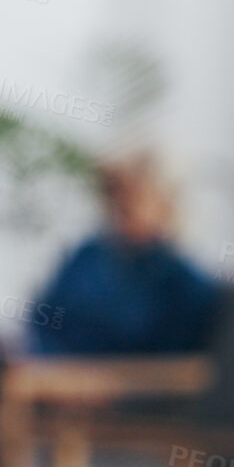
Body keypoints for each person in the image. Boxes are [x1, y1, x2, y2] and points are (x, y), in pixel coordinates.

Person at [27, 148, 220, 355]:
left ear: (165, 200)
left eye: (133, 194)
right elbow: (43, 320)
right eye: (113, 191)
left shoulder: (186, 283)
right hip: (54, 371)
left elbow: (174, 361)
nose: (120, 203)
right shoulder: (86, 255)